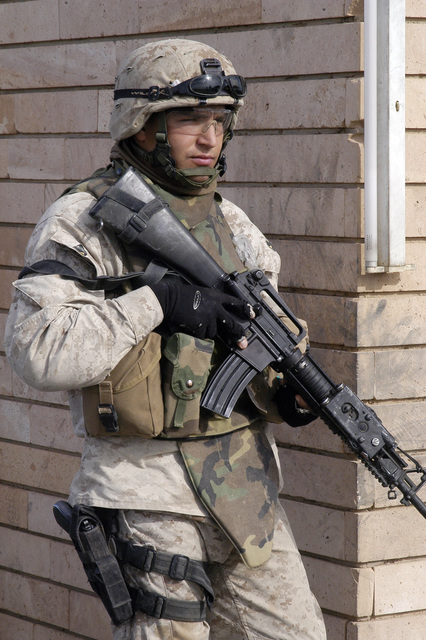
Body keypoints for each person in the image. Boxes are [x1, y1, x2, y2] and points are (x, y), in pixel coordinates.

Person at [4, 39, 327, 639]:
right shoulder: (83, 220)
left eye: (219, 122)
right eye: (188, 119)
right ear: (142, 126)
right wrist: (159, 302)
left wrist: (287, 393)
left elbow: (267, 341)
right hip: (144, 489)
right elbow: (36, 349)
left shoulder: (231, 224)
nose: (209, 138)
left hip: (242, 487)